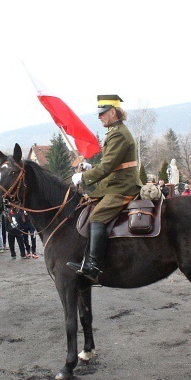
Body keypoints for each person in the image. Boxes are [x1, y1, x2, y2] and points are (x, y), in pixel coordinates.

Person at [67, 95, 142, 282]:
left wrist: (83, 177)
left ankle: (94, 265)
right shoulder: (116, 131)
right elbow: (113, 164)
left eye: (103, 113)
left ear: (113, 112)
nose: (99, 117)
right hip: (115, 183)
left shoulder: (118, 134)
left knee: (97, 217)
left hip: (123, 187)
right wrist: (91, 168)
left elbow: (108, 167)